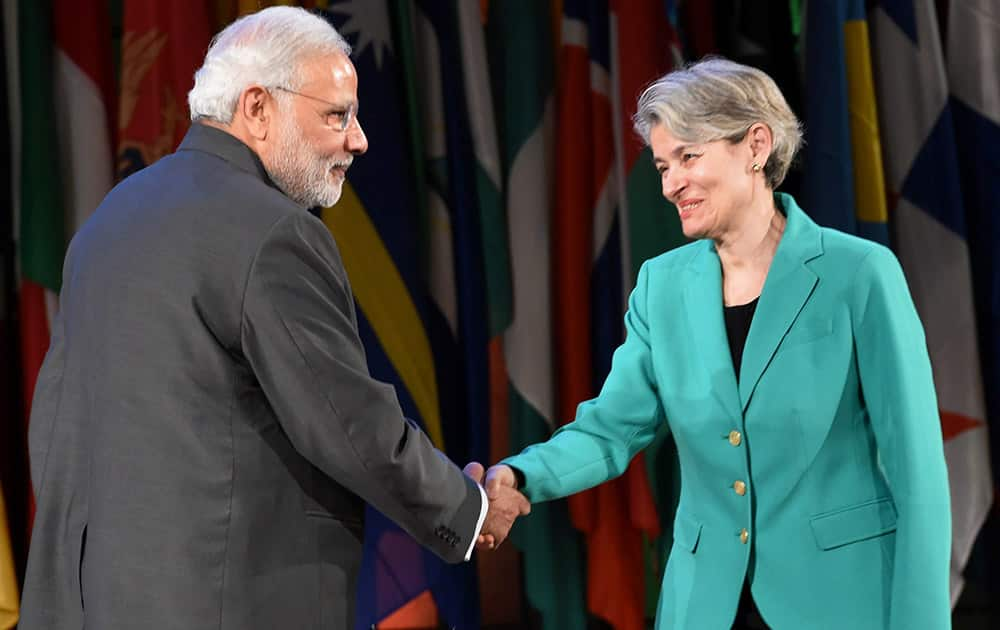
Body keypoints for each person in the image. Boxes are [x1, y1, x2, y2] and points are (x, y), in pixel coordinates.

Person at [19, 7, 526, 630]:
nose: (359, 139)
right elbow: (346, 422)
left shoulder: (109, 218)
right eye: (336, 115)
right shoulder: (274, 231)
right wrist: (468, 512)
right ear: (257, 108)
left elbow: (53, 425)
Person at [478, 57, 951, 629]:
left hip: (840, 602)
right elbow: (611, 428)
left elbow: (918, 472)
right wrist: (521, 476)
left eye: (688, 157)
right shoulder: (662, 286)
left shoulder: (860, 274)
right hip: (704, 606)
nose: (671, 183)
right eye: (660, 165)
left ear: (755, 145)